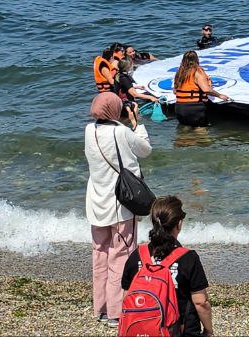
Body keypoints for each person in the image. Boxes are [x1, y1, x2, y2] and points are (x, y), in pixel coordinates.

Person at [85, 91, 151, 329]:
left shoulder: (89, 130)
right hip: (120, 204)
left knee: (100, 254)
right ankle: (116, 312)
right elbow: (145, 149)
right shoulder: (121, 132)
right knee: (120, 255)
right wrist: (137, 123)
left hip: (96, 203)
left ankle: (101, 309)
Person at [120, 196, 215, 337]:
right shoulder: (188, 258)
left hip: (142, 329)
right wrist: (209, 330)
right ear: (179, 224)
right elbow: (201, 302)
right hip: (181, 331)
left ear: (154, 222)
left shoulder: (137, 255)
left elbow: (126, 297)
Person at [173, 51, 231, 128]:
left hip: (179, 108)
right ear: (196, 59)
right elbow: (206, 90)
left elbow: (175, 91)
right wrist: (219, 95)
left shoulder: (179, 72)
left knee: (185, 130)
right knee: (201, 130)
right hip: (194, 108)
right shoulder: (197, 71)